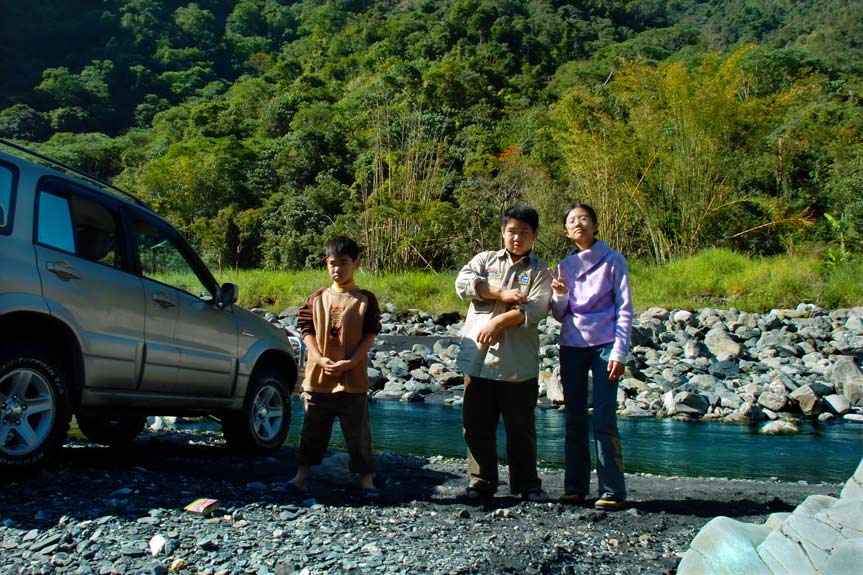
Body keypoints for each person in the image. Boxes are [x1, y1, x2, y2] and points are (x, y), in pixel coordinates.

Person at [455, 205, 553, 501]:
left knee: (520, 428)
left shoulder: (540, 270)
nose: (517, 237)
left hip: (516, 363)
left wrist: (498, 322)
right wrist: (500, 294)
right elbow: (463, 284)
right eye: (512, 231)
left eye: (524, 232)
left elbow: (536, 307)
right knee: (476, 426)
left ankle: (526, 484)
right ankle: (481, 482)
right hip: (479, 359)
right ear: (502, 232)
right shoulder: (485, 260)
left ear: (535, 235)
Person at [549, 203, 633, 510]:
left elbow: (624, 307)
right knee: (574, 417)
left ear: (595, 225)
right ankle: (575, 487)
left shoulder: (614, 260)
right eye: (572, 221)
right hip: (572, 344)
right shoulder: (564, 265)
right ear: (566, 232)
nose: (578, 224)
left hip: (605, 344)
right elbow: (560, 314)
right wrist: (560, 293)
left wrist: (620, 351)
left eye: (584, 218)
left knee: (604, 416)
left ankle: (612, 489)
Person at [288, 236, 382, 498]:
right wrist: (319, 358)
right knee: (312, 431)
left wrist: (351, 362)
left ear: (356, 264)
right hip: (319, 378)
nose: (337, 268)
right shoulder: (317, 298)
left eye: (344, 262)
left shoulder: (364, 299)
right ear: (326, 264)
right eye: (333, 263)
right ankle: (300, 477)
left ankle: (367, 481)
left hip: (353, 380)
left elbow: (370, 334)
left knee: (358, 435)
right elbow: (305, 330)